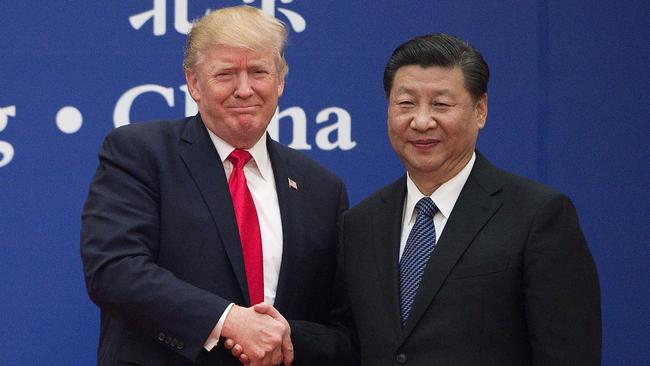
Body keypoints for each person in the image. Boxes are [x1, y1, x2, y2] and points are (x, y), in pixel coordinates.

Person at [278, 33, 601, 365]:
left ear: (480, 110)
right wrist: (287, 335)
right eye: (406, 104)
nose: (421, 121)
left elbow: (568, 353)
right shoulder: (361, 223)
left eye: (441, 105)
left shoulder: (537, 216)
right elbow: (351, 341)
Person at [80, 6, 347, 366]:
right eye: (225, 74)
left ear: (280, 81)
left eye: (258, 72)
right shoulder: (141, 154)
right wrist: (229, 321)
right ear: (193, 82)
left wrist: (285, 338)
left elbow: (342, 326)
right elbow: (114, 270)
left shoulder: (322, 188)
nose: (244, 89)